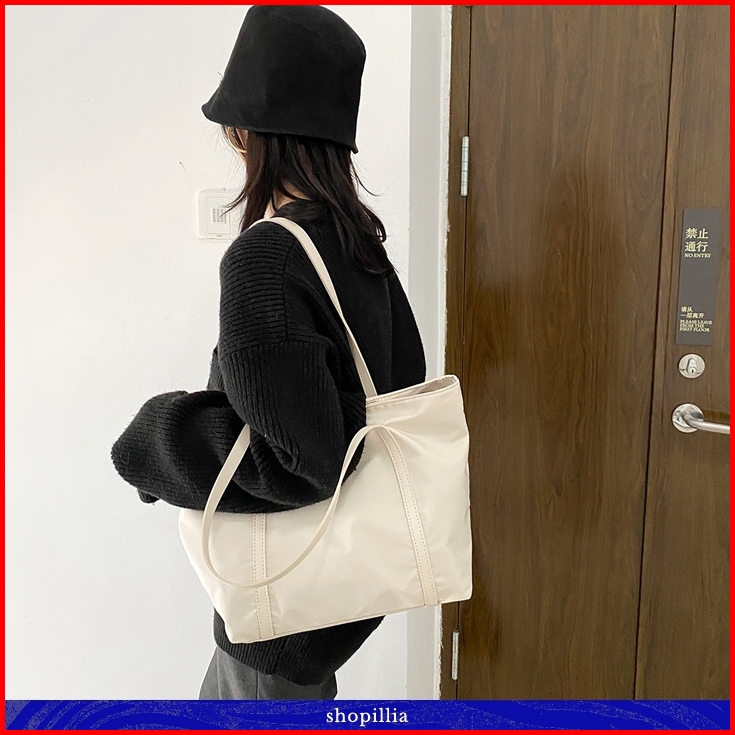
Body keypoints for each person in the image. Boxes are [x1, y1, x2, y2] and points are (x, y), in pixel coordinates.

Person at [110, 5, 426, 700]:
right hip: (330, 597)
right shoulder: (357, 245)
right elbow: (394, 395)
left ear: (245, 133)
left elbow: (302, 461)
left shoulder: (268, 259)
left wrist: (156, 438)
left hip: (277, 620)